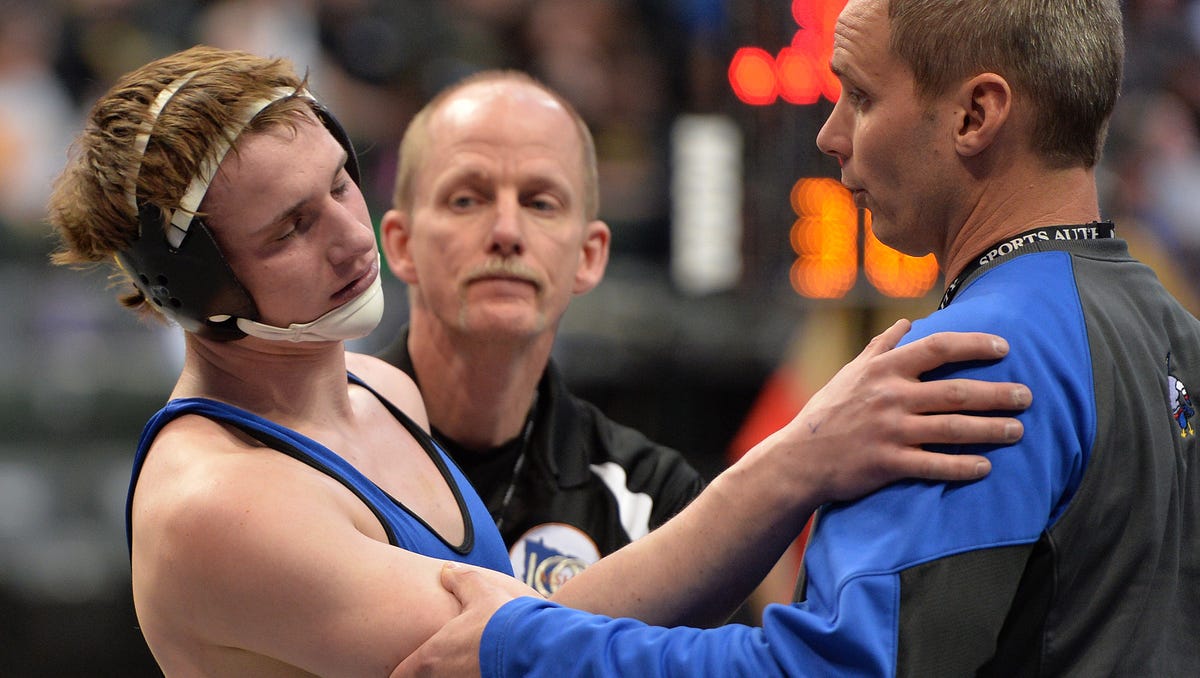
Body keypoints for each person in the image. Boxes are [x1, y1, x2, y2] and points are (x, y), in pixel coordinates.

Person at [47, 45, 1032, 676]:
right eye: (292, 228)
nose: (344, 234)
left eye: (341, 183)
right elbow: (508, 651)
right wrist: (799, 458)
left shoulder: (381, 391)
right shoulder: (219, 508)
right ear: (202, 297)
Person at [393, 0, 1200, 676]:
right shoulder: (1178, 336)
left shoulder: (973, 363)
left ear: (975, 114)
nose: (829, 134)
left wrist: (522, 644)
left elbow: (829, 671)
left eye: (860, 96)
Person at [373, 70, 706, 594]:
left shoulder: (653, 501)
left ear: (589, 256)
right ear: (400, 244)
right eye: (467, 199)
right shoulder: (315, 459)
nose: (506, 232)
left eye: (540, 203)